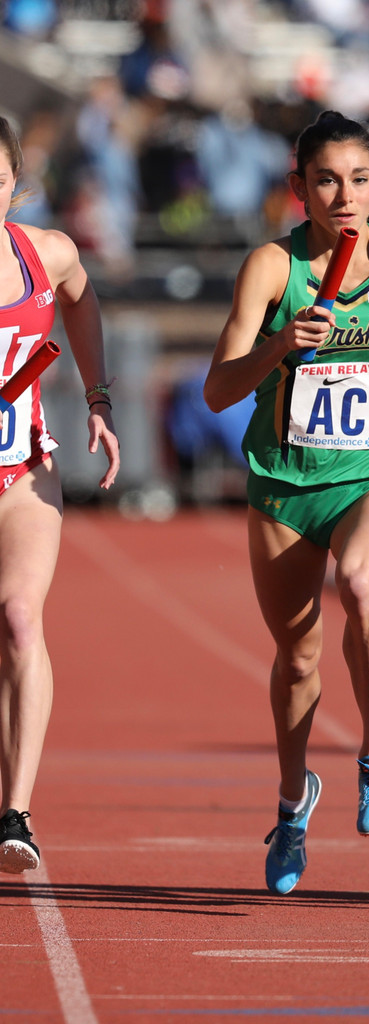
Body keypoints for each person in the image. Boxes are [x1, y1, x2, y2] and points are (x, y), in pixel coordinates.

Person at [204, 110, 369, 895]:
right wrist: (281, 345)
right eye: (327, 180)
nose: (345, 195)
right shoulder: (272, 269)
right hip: (283, 483)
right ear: (299, 189)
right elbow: (216, 391)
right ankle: (293, 799)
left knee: (365, 586)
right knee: (299, 656)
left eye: (360, 179)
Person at [0, 116, 120, 873]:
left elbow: (79, 301)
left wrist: (97, 396)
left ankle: (15, 811)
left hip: (22, 473)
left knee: (17, 617)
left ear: (16, 177)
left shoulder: (47, 252)